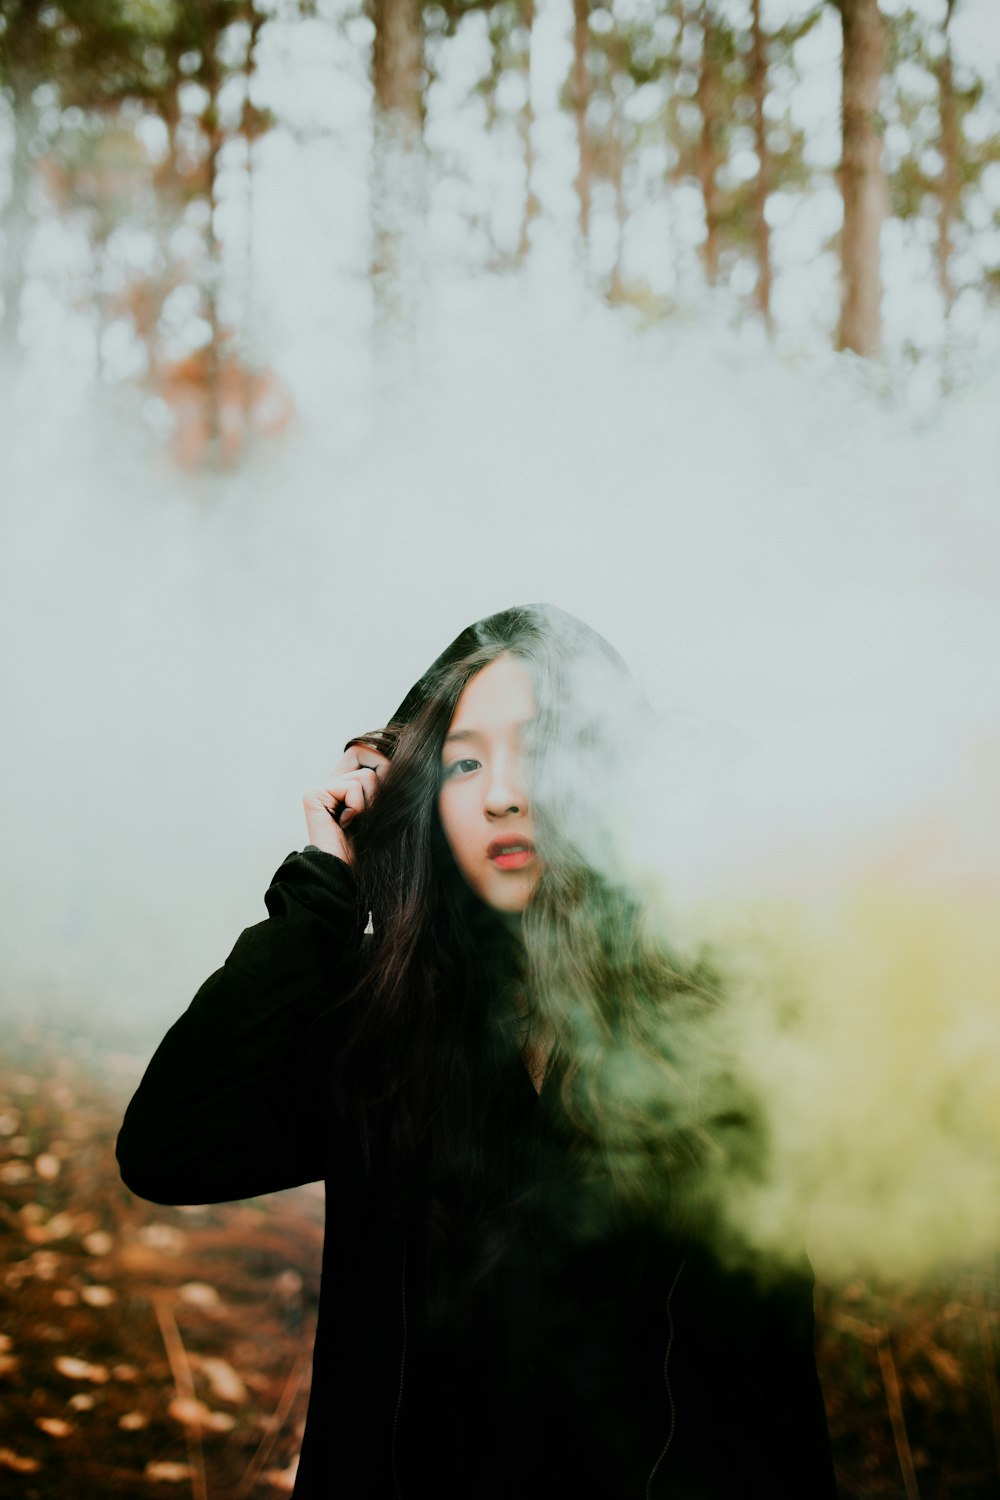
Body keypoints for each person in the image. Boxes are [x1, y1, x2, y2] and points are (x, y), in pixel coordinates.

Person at [117, 603, 836, 1499]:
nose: (503, 791)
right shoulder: (384, 1035)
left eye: (541, 750)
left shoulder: (709, 1042)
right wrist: (322, 891)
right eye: (465, 761)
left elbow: (769, 1392)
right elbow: (169, 1148)